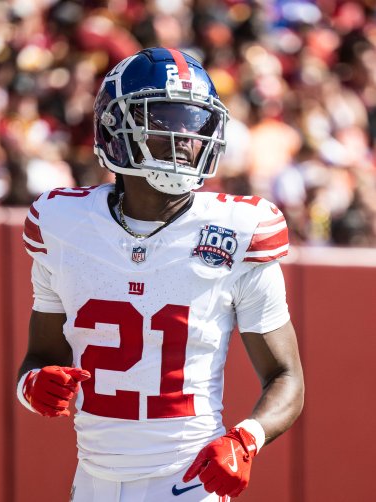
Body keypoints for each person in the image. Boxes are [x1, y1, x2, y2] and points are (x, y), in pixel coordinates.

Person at [17, 47, 304, 501]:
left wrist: (245, 439)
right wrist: (30, 386)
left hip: (189, 480)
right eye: (166, 117)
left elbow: (286, 376)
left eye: (195, 121)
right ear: (116, 125)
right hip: (93, 481)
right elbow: (41, 355)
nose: (187, 136)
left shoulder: (239, 229)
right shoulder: (60, 223)